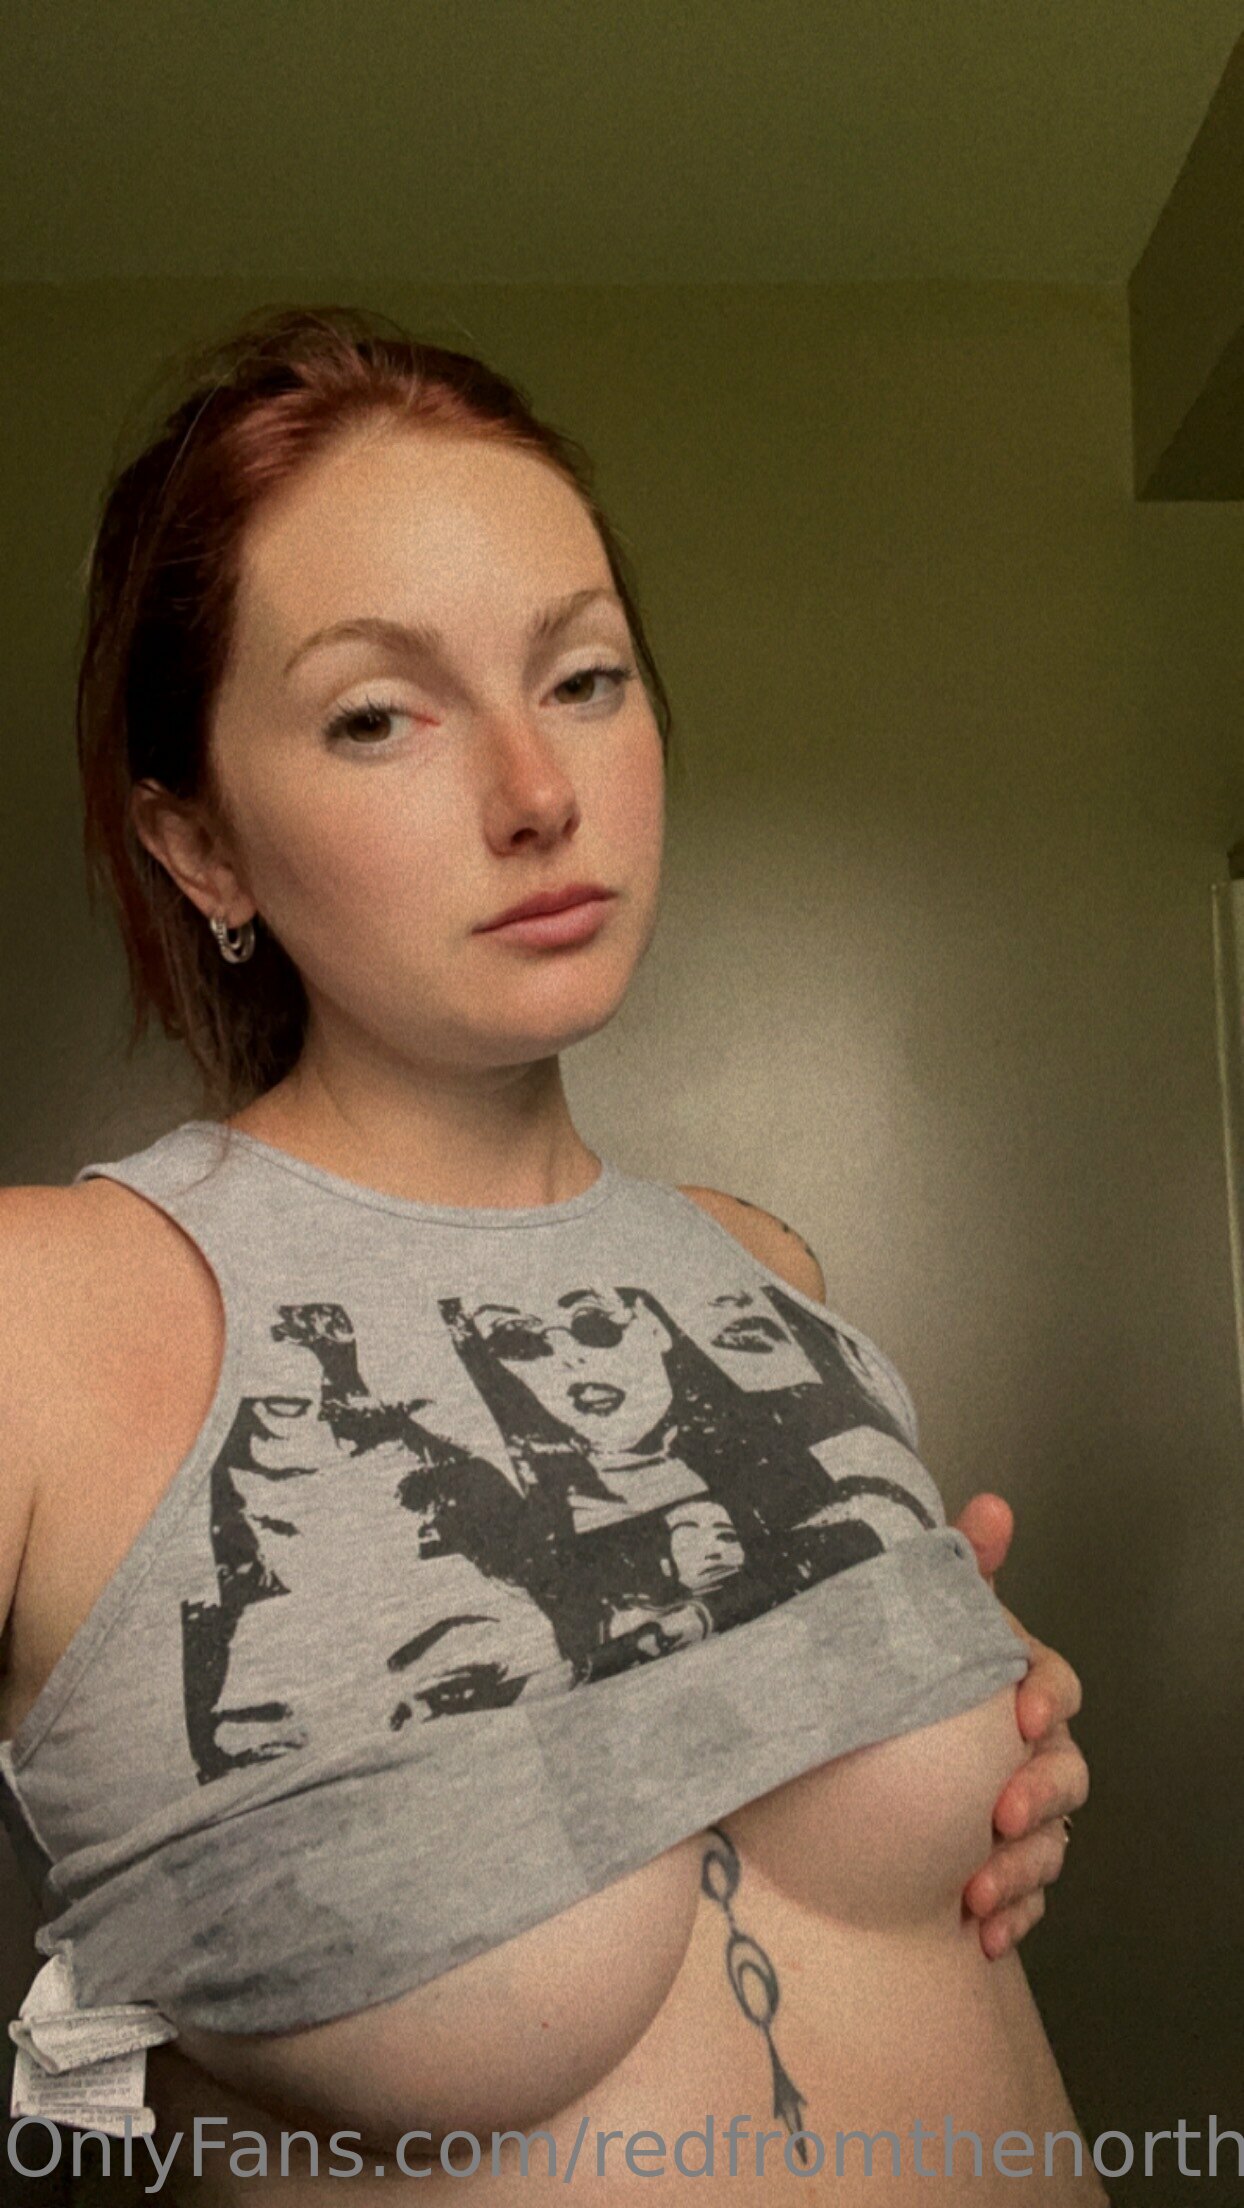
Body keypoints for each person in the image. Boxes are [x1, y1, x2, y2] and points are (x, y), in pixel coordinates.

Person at [0, 306, 1097, 2205]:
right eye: (377, 714)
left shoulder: (769, 1275)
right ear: (201, 848)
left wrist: (983, 1738)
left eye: (583, 678)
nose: (538, 792)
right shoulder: (47, 1313)